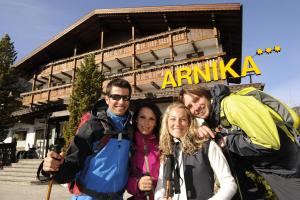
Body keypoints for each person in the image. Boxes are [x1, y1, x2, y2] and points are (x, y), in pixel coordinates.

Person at [178, 84, 300, 200]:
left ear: (206, 95)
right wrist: (197, 130)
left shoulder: (232, 104)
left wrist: (228, 141)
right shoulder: (214, 118)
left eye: (197, 99)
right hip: (269, 170)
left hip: (287, 168)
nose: (196, 107)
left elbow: (268, 142)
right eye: (189, 106)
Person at [41, 78, 133, 200]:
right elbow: (73, 162)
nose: (121, 102)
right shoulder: (92, 126)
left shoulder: (130, 130)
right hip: (88, 197)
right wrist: (54, 167)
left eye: (125, 97)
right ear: (107, 99)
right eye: (115, 97)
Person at [155, 102, 237, 200]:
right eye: (173, 119)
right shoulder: (167, 151)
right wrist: (160, 198)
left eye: (183, 119)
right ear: (166, 122)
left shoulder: (207, 146)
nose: (177, 123)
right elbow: (160, 187)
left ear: (189, 123)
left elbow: (229, 183)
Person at [126, 101, 162, 200]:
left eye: (151, 119)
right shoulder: (128, 142)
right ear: (136, 119)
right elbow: (122, 176)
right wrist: (137, 184)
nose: (146, 123)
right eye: (142, 117)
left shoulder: (163, 142)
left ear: (156, 123)